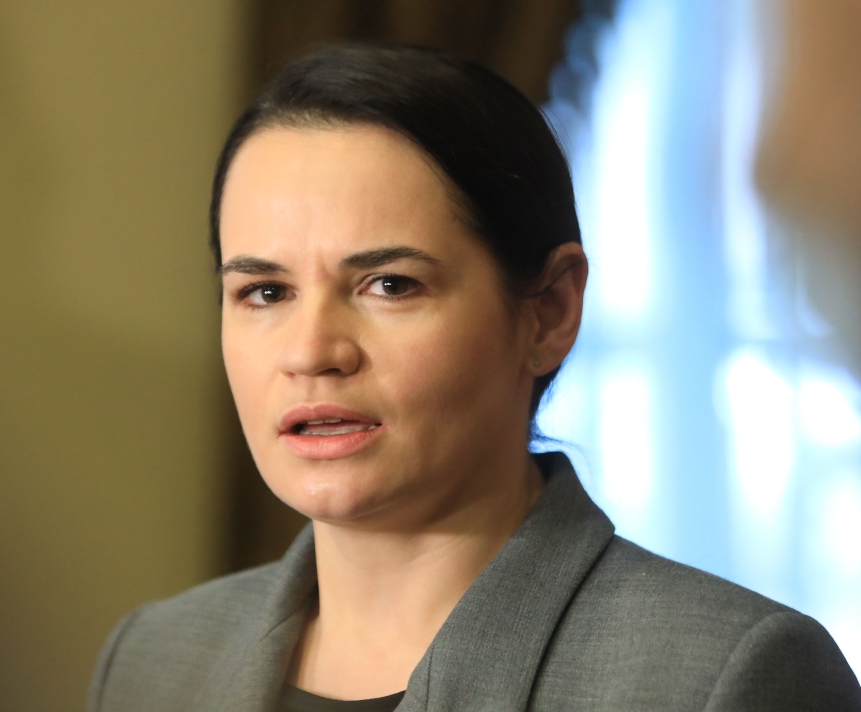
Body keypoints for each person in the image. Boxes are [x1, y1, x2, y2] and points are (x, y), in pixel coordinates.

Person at [86, 44, 861, 712]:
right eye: (264, 292)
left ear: (549, 312)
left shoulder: (725, 675)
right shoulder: (153, 659)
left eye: (390, 284)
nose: (312, 350)